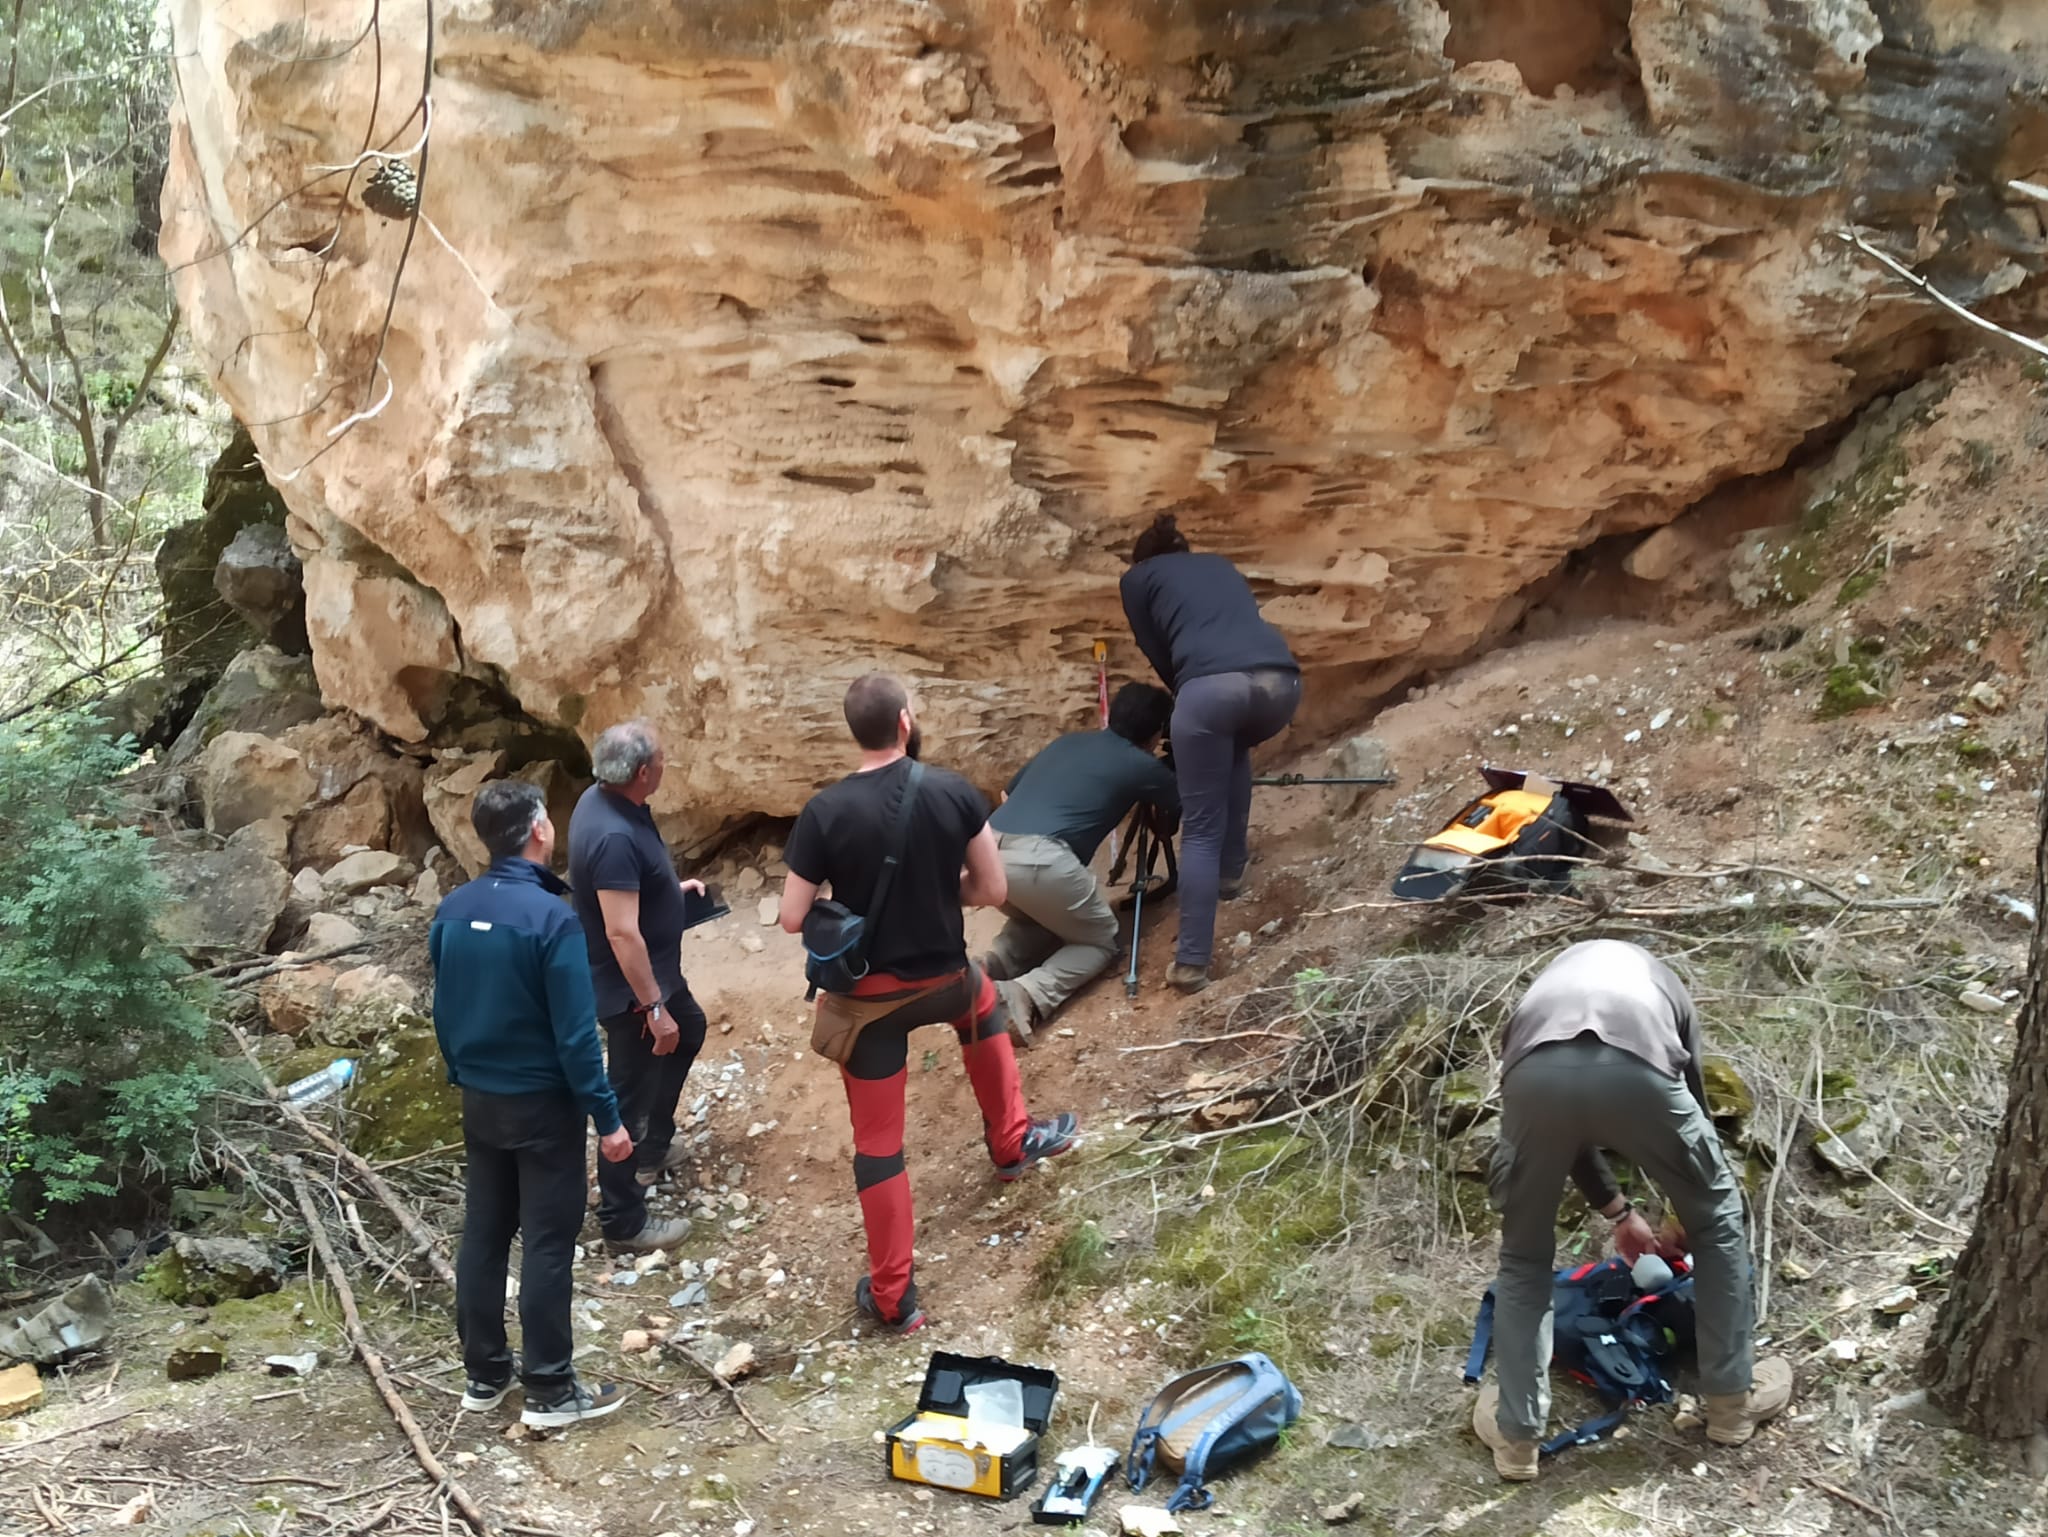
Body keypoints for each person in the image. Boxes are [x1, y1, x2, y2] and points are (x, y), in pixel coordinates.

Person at [777, 673, 1079, 1334]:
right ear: (906, 723)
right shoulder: (952, 791)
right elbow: (993, 889)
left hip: (870, 1005)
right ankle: (1011, 1143)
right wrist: (944, 894)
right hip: (944, 977)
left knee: (880, 1149)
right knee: (983, 1006)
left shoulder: (824, 812)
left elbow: (792, 916)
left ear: (855, 731)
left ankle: (893, 1297)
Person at [1473, 940, 1793, 1481]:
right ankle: (1731, 1407)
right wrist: (1678, 1215)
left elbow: (1563, 1127)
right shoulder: (1661, 982)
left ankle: (1517, 1438)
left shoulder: (1543, 992)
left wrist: (1618, 1213)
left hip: (1532, 1077)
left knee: (1524, 1260)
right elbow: (1690, 1110)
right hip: (1640, 1066)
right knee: (1718, 1231)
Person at [429, 780, 632, 1430]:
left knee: (485, 1234)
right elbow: (577, 1035)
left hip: (481, 1098)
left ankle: (484, 1375)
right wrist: (607, 1116)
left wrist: (461, 1069)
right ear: (540, 829)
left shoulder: (454, 909)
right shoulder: (552, 918)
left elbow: (444, 1008)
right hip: (543, 1105)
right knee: (547, 1242)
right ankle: (549, 1387)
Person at [1118, 513, 1300, 993]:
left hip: (1210, 688)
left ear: (1144, 559)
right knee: (1235, 746)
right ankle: (1231, 872)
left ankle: (1192, 961)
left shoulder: (1137, 579)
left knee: (1200, 826)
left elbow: (1157, 649)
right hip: (1280, 682)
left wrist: (1187, 699)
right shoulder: (1220, 565)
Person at [567, 721, 702, 1254]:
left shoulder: (600, 801)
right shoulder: (615, 835)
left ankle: (651, 1146)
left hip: (649, 980)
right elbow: (622, 931)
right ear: (643, 772)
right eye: (663, 759)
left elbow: (621, 893)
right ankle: (622, 1220)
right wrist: (652, 1007)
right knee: (624, 1096)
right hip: (631, 991)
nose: (667, 765)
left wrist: (670, 890)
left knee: (689, 1030)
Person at [984, 681, 1178, 1036]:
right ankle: (1027, 992)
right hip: (1040, 858)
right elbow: (1182, 806)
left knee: (1047, 916)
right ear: (1155, 732)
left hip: (989, 852)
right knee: (1099, 940)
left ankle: (988, 966)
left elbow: (1006, 793)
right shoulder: (1140, 763)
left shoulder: (1069, 741)